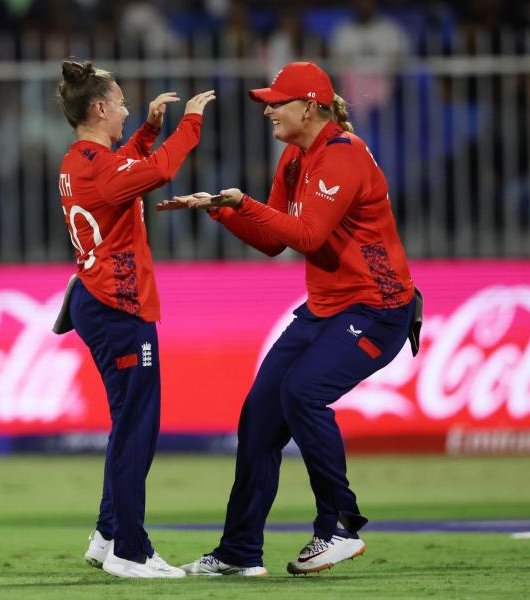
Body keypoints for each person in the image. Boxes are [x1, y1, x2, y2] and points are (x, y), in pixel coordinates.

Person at [160, 61, 421, 577]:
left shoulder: (342, 155)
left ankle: (340, 525)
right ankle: (239, 552)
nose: (268, 110)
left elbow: (307, 236)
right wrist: (222, 210)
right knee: (259, 416)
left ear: (312, 105)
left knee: (303, 391)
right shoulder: (296, 159)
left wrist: (245, 202)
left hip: (378, 308)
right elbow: (275, 241)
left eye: (277, 102)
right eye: (266, 102)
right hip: (326, 308)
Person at [53, 58, 214, 578]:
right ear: (100, 108)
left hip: (96, 299)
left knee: (128, 424)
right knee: (137, 429)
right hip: (119, 305)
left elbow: (125, 172)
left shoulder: (81, 159)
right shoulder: (99, 167)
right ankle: (130, 548)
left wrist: (146, 130)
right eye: (121, 102)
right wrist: (190, 123)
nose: (125, 108)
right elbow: (158, 172)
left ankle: (107, 534)